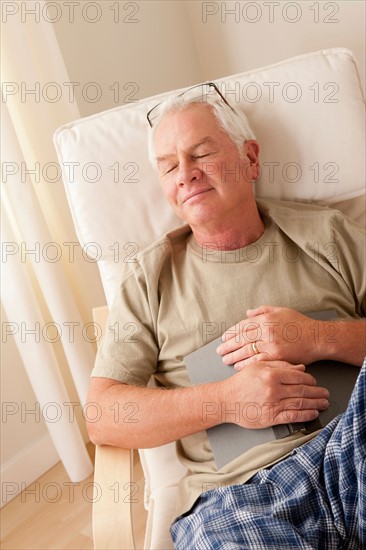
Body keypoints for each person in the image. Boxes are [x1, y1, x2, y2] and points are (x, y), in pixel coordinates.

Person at [87, 83, 366, 548]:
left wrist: (321, 337)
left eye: (201, 153)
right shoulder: (148, 280)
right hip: (239, 500)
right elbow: (102, 414)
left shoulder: (327, 234)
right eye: (169, 166)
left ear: (251, 160)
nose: (186, 174)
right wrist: (227, 401)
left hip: (349, 451)